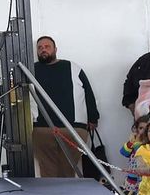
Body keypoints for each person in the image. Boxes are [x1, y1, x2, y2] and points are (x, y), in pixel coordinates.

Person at [32, 36, 99, 178]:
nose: (43, 50)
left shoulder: (73, 68)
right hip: (42, 129)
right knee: (48, 172)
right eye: (40, 47)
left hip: (73, 128)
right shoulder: (30, 70)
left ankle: (65, 193)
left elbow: (88, 93)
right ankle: (54, 194)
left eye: (47, 46)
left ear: (55, 49)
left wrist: (93, 118)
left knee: (68, 170)